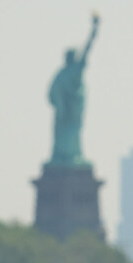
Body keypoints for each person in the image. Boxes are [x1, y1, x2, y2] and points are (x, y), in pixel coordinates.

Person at [47, 14, 99, 166]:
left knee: (73, 137)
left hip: (73, 114)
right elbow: (51, 94)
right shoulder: (61, 75)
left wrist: (94, 31)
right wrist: (60, 104)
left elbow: (87, 50)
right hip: (63, 115)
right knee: (62, 139)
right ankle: (62, 157)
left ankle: (71, 157)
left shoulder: (75, 70)